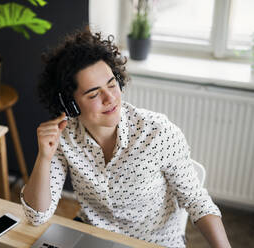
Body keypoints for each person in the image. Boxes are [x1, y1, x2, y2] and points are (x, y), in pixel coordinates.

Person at [21, 28, 231, 248]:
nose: (110, 98)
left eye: (112, 84)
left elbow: (197, 201)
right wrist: (44, 157)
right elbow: (37, 216)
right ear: (70, 104)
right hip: (95, 240)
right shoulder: (64, 137)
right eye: (93, 94)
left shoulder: (158, 132)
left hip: (154, 243)